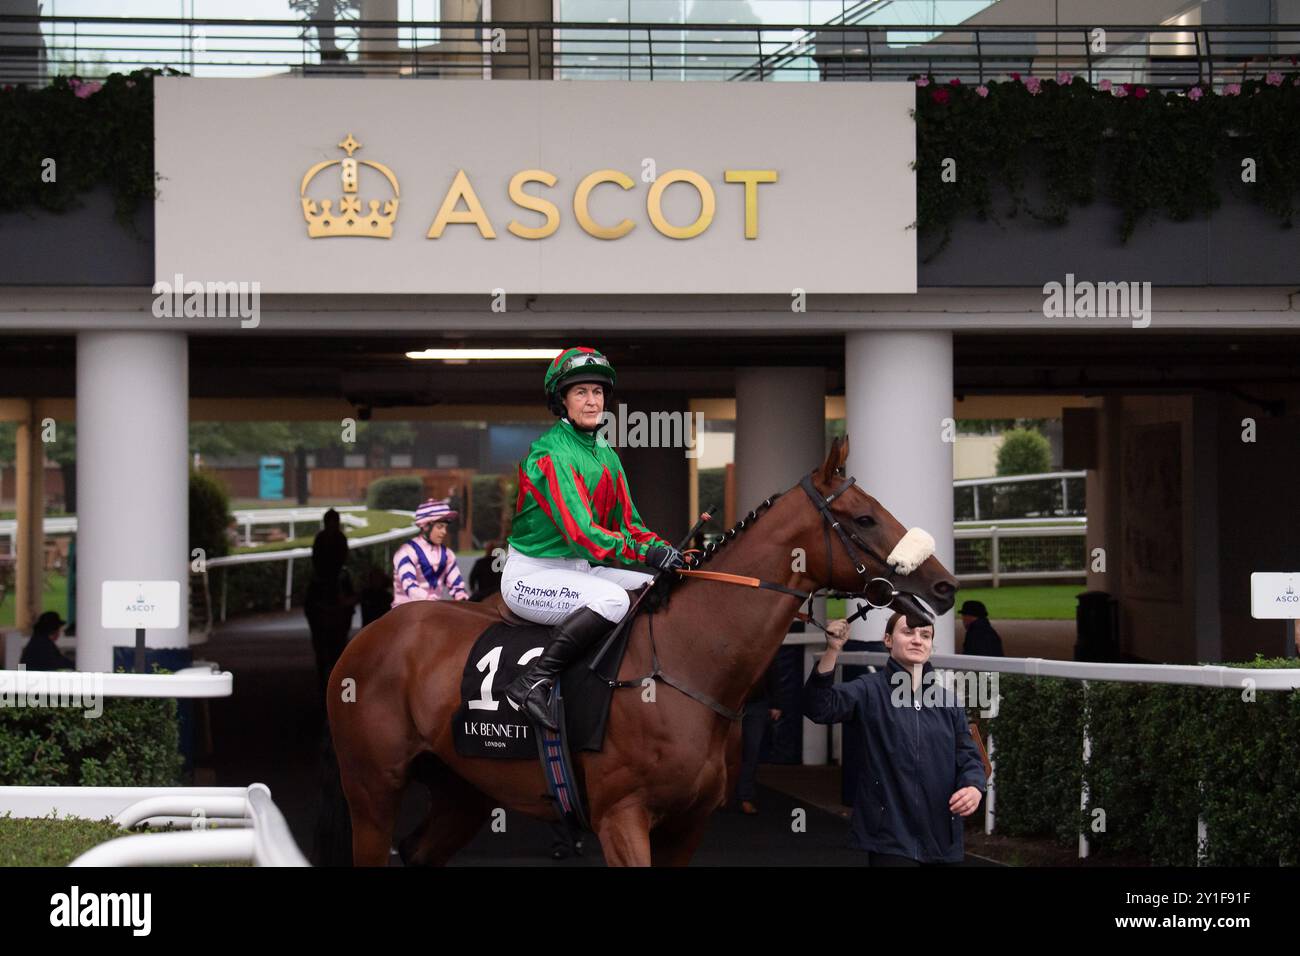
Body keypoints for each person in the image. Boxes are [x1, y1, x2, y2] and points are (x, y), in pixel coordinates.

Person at [500, 346, 684, 730]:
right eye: (581, 392)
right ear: (562, 399)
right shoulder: (550, 453)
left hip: (580, 570)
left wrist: (665, 550)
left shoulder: (605, 452)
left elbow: (631, 524)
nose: (591, 400)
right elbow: (582, 533)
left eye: (597, 392)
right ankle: (532, 682)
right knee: (614, 599)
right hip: (531, 576)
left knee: (658, 585)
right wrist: (641, 551)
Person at [803, 612, 987, 866]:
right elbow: (818, 708)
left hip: (942, 838)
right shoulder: (868, 690)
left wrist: (974, 788)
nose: (917, 640)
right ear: (888, 640)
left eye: (925, 635)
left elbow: (969, 757)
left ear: (931, 646)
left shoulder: (948, 702)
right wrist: (833, 650)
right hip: (889, 838)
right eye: (908, 632)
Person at [305, 508, 356, 696]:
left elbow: (319, 559)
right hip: (328, 582)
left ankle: (328, 680)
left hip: (326, 583)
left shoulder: (324, 538)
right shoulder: (336, 539)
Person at [391, 499, 470, 606]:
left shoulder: (447, 554)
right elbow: (409, 585)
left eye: (445, 527)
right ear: (426, 527)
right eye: (439, 527)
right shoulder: (405, 552)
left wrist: (462, 597)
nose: (444, 532)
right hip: (405, 612)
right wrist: (430, 600)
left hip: (433, 611)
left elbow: (456, 584)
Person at [735, 660, 781, 814]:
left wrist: (776, 704)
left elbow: (773, 670)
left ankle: (745, 797)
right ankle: (718, 795)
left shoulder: (762, 645)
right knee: (723, 751)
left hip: (756, 704)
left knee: (752, 752)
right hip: (727, 703)